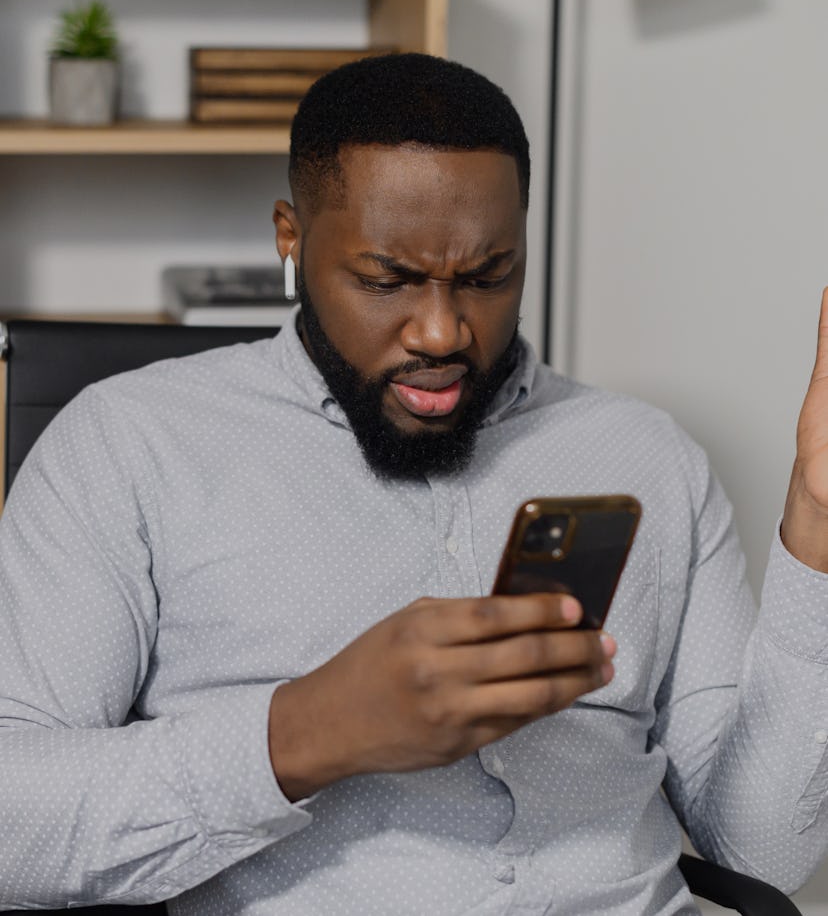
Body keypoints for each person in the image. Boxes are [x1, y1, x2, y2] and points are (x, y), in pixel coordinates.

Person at [1, 53, 827, 916]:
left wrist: (816, 522)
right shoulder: (133, 444)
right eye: (385, 279)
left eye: (487, 277)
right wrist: (309, 731)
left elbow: (761, 852)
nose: (442, 330)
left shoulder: (648, 454)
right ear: (290, 236)